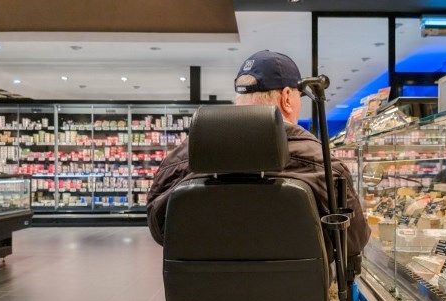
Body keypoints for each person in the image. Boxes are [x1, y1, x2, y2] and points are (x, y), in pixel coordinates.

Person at [146, 50, 370, 259]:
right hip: (296, 296)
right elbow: (353, 242)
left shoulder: (184, 157)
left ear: (238, 99)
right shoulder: (324, 164)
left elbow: (159, 229)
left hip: (203, 296)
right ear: (287, 98)